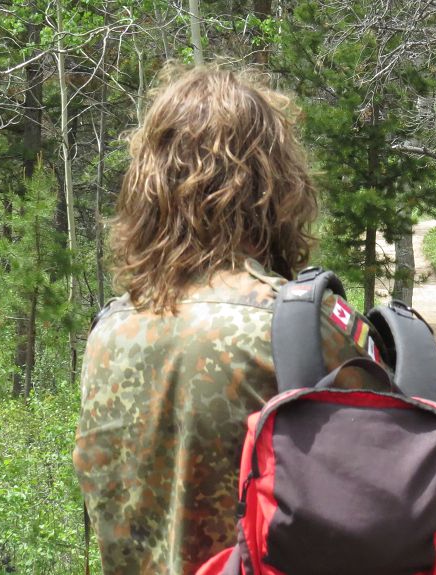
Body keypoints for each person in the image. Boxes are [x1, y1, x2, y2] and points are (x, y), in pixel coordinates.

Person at [74, 66, 381, 574]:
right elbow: (390, 487)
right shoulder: (298, 326)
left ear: (151, 189)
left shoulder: (108, 332)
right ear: (273, 186)